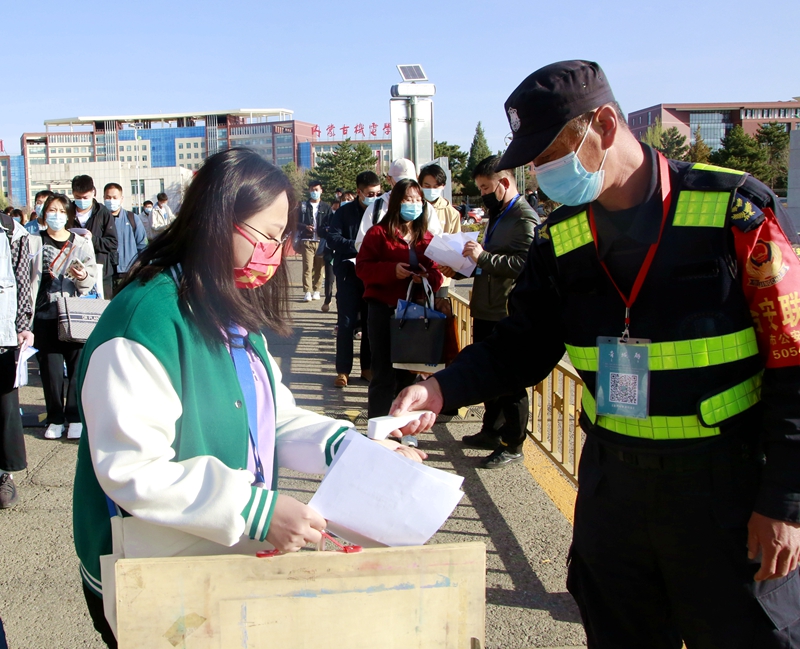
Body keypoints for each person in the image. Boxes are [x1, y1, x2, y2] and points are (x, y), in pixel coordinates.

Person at [392, 60, 800, 647]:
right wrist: (439, 388)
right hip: (615, 492)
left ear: (604, 125)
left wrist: (785, 501)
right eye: (533, 161)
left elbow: (793, 362)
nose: (541, 172)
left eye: (550, 153)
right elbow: (521, 346)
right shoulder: (564, 236)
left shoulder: (732, 211)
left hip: (726, 491)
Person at [70, 148, 424, 648]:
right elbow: (133, 470)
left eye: (283, 239)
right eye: (266, 236)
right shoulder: (145, 321)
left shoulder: (226, 302)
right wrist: (257, 510)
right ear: (216, 222)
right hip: (155, 567)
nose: (275, 254)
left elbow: (272, 417)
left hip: (219, 554)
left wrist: (351, 449)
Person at [440, 155, 538, 469]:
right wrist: (460, 267)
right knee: (489, 375)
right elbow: (489, 260)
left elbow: (525, 264)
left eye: (485, 188)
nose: (482, 194)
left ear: (504, 183)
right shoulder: (499, 214)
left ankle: (513, 443)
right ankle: (491, 430)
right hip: (486, 306)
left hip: (505, 310)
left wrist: (482, 258)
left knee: (510, 380)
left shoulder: (524, 218)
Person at [356, 178, 442, 418]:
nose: (413, 204)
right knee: (383, 373)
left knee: (408, 375)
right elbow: (362, 268)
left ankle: (402, 427)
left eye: (417, 200)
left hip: (414, 313)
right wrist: (391, 270)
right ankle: (377, 426)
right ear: (396, 202)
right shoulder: (377, 233)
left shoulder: (426, 237)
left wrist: (426, 277)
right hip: (384, 311)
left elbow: (437, 273)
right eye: (407, 199)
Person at [34, 194, 96, 441]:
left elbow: (90, 281)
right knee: (50, 370)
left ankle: (75, 416)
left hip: (74, 312)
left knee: (77, 368)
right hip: (44, 313)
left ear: (69, 215)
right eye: (52, 210)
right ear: (44, 213)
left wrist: (83, 276)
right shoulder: (34, 242)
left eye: (61, 211)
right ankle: (55, 418)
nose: (56, 215)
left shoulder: (81, 243)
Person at [327, 171, 379, 388]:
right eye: (370, 194)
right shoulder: (344, 212)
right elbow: (332, 238)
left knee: (370, 323)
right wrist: (356, 246)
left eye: (377, 193)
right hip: (349, 273)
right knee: (346, 323)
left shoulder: (382, 211)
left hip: (373, 275)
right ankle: (343, 370)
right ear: (359, 192)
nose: (374, 197)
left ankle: (367, 368)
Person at [0, 205, 36, 509]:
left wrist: (23, 324)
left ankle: (4, 474)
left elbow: (23, 280)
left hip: (3, 332)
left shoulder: (11, 231)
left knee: (4, 405)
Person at [354, 159, 444, 251]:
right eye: (400, 182)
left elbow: (436, 240)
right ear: (389, 179)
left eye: (409, 182)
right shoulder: (376, 208)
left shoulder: (425, 207)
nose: (405, 187)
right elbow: (362, 244)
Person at [419, 164, 462, 299]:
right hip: (416, 274)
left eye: (436, 186)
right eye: (427, 186)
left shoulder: (452, 213)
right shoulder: (413, 207)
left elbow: (456, 246)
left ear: (443, 186)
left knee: (438, 310)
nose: (431, 190)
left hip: (440, 277)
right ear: (420, 184)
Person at [72, 175, 117, 299]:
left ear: (93, 192)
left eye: (85, 197)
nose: (82, 201)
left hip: (100, 273)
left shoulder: (103, 213)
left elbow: (112, 243)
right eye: (78, 197)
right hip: (74, 273)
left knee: (101, 308)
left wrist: (92, 239)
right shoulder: (67, 212)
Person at [102, 184, 147, 296]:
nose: (111, 201)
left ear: (121, 199)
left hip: (128, 273)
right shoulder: (99, 220)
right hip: (105, 275)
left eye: (115, 197)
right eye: (108, 197)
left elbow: (142, 246)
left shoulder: (132, 218)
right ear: (103, 198)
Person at [296, 181, 332, 301]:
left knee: (319, 268)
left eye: (316, 189)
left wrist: (325, 229)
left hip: (321, 241)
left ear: (321, 190)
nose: (314, 192)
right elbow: (295, 222)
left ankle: (317, 290)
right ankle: (307, 291)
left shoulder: (326, 207)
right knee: (307, 267)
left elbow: (331, 223)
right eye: (312, 189)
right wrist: (305, 227)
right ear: (309, 191)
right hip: (307, 240)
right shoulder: (303, 206)